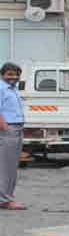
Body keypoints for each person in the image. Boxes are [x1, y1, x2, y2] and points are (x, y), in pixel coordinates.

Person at [0, 63, 26, 210]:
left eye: (16, 75)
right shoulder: (1, 88)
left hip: (16, 128)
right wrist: (5, 127)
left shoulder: (13, 89)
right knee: (6, 167)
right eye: (10, 74)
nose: (14, 77)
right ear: (2, 74)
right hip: (7, 130)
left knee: (11, 167)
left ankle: (6, 197)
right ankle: (5, 200)